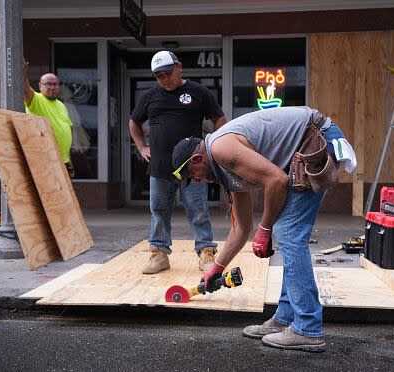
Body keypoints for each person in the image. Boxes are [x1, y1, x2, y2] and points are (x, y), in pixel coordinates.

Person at [171, 106, 355, 353]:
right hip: (303, 146)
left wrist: (265, 228)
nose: (196, 181)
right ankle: (285, 319)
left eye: (192, 176)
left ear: (196, 160)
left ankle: (308, 328)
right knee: (286, 232)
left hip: (315, 140)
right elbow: (242, 227)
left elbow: (276, 180)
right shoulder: (225, 168)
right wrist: (216, 269)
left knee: (288, 233)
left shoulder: (221, 149)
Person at [129, 51, 227, 274]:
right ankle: (159, 254)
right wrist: (142, 147)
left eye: (167, 73)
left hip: (194, 167)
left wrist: (211, 148)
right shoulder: (149, 96)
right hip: (160, 166)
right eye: (159, 76)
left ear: (179, 67)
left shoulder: (198, 92)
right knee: (159, 210)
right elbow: (134, 122)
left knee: (198, 210)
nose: (164, 79)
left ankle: (206, 253)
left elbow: (219, 119)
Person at [23, 60, 74, 177]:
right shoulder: (36, 100)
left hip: (63, 162)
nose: (52, 87)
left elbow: (66, 134)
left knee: (62, 195)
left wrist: (69, 161)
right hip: (46, 161)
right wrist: (23, 74)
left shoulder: (61, 105)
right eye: (48, 84)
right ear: (40, 86)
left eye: (55, 84)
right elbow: (25, 89)